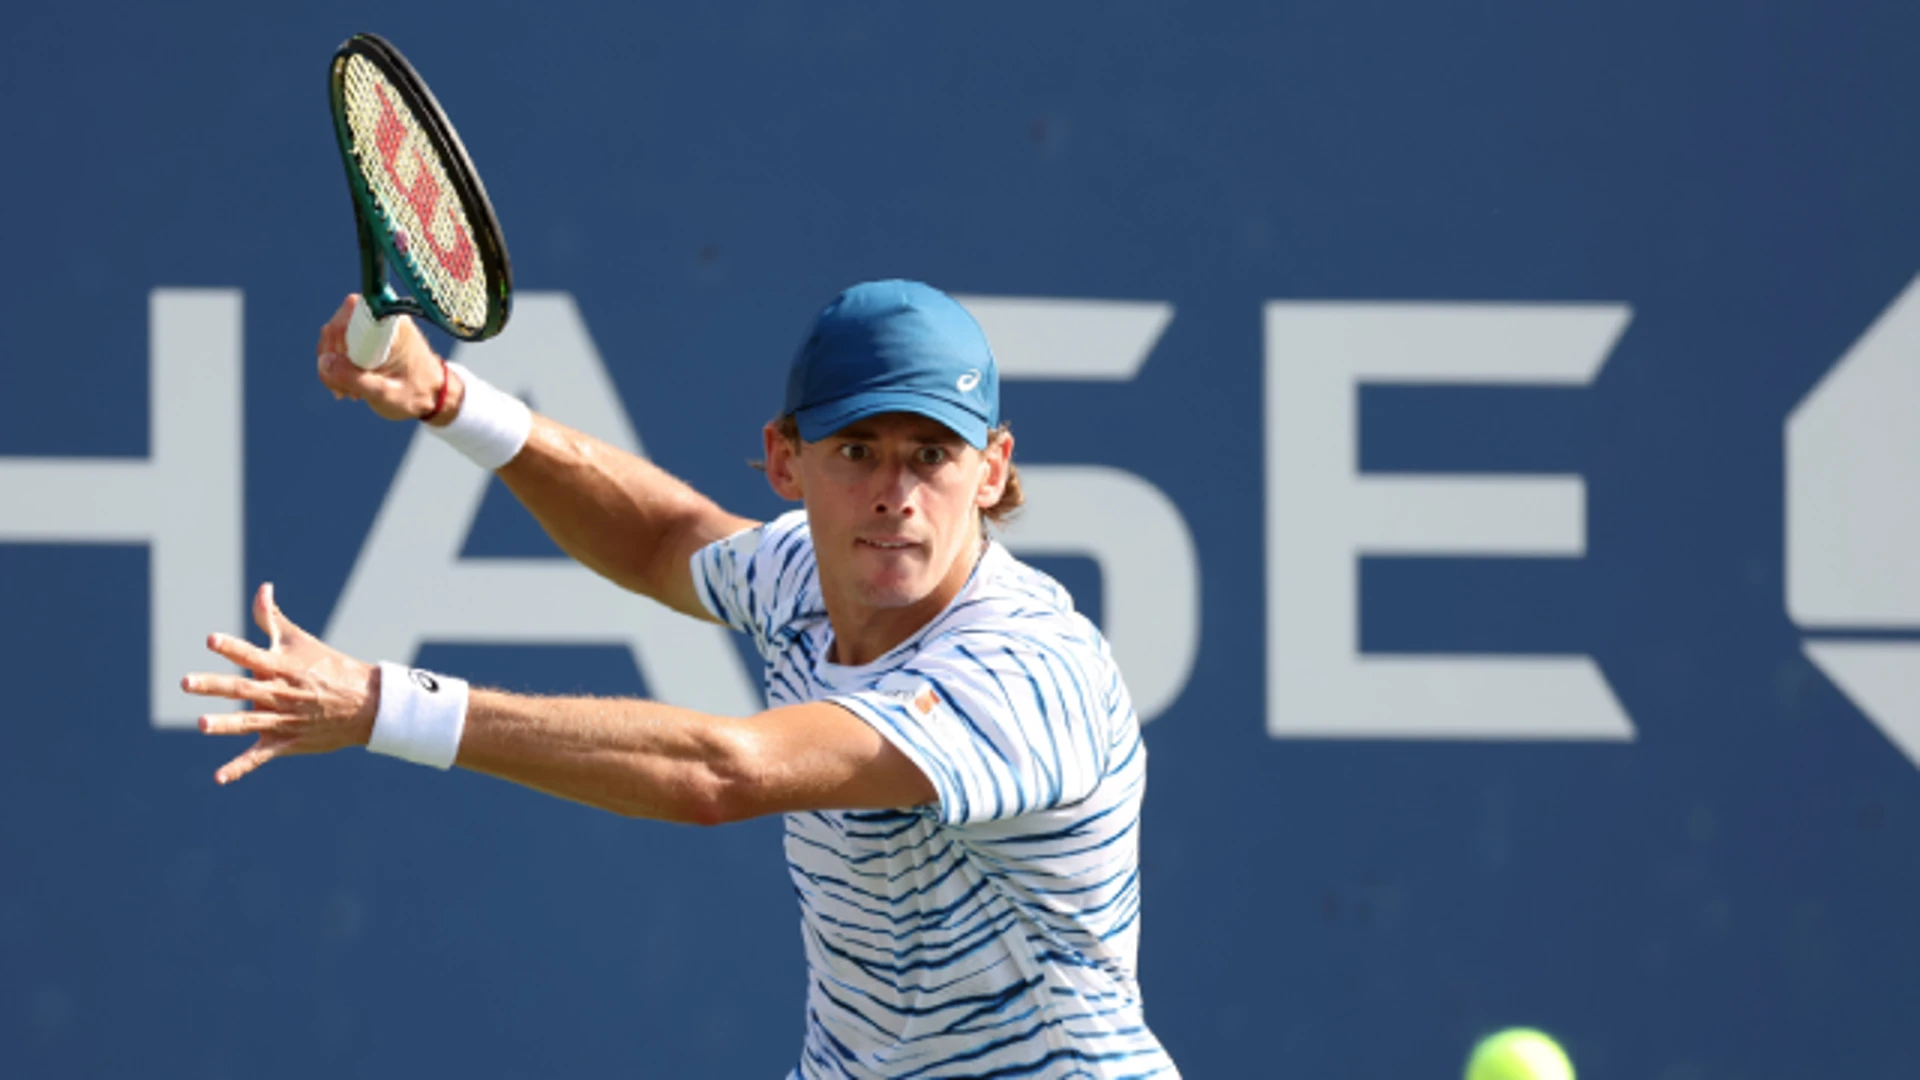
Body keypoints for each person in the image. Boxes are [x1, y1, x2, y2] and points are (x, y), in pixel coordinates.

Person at [183, 279, 1179, 1078]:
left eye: (933, 454)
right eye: (857, 452)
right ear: (785, 463)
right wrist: (450, 397)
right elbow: (664, 536)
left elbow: (722, 774)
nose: (897, 495)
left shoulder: (1025, 670)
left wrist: (380, 707)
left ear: (994, 469)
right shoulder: (803, 576)